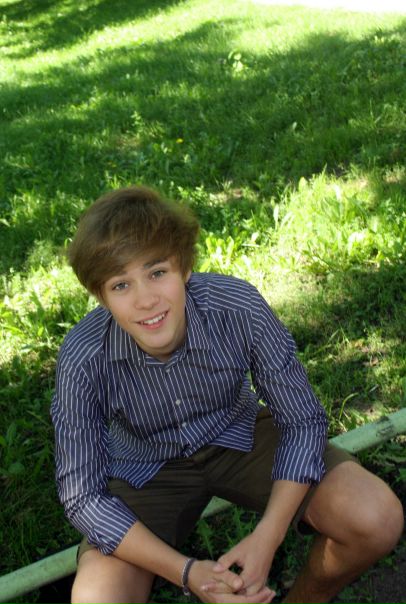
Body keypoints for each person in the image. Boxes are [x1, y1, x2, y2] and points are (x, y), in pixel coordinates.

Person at [51, 185, 403, 604]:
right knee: (97, 597)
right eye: (121, 285)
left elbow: (302, 420)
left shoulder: (236, 306)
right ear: (100, 296)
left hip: (239, 433)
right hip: (144, 466)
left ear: (184, 267)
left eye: (157, 272)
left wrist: (268, 536)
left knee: (375, 517)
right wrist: (186, 572)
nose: (145, 300)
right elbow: (83, 496)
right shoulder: (83, 356)